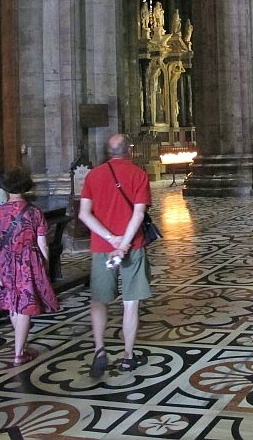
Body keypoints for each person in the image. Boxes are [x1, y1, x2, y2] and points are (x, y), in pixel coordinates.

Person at [79, 134, 152, 378]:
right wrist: (124, 244)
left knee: (99, 300)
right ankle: (128, 357)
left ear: (108, 152)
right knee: (130, 303)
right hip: (133, 246)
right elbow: (139, 214)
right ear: (129, 150)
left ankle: (100, 349)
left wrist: (110, 239)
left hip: (102, 246)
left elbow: (84, 214)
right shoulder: (138, 174)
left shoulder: (94, 175)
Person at [0, 167, 59, 365]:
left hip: (4, 261)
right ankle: (19, 353)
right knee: (24, 305)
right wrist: (45, 264)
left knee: (13, 302)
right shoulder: (35, 212)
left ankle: (21, 346)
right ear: (26, 186)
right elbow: (43, 243)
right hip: (29, 261)